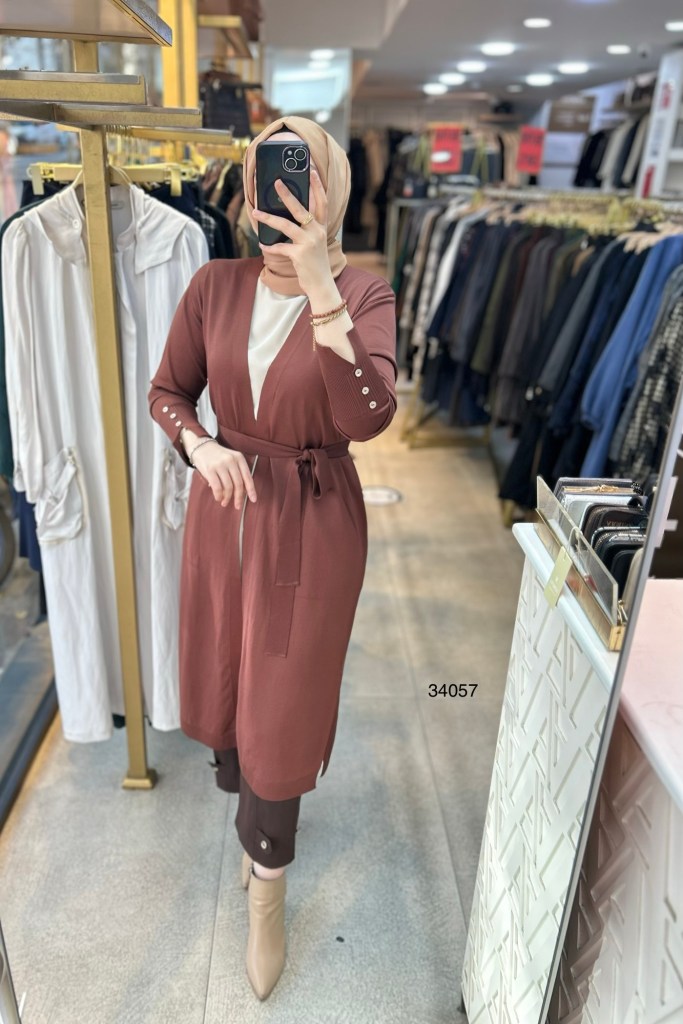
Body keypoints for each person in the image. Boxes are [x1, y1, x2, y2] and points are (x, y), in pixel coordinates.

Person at [147, 115, 398, 1000]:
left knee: (284, 703)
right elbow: (168, 391)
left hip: (313, 518)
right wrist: (199, 446)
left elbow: (367, 415)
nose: (279, 191)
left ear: (331, 185)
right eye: (267, 172)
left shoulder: (364, 293)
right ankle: (250, 813)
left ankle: (267, 889)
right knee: (228, 674)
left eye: (299, 172)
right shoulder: (213, 285)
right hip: (225, 515)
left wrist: (322, 280)